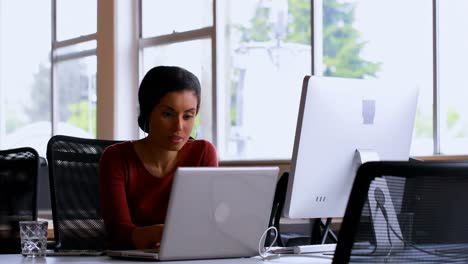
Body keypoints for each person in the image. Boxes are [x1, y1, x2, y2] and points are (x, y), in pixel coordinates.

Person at [99, 66, 218, 250]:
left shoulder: (203, 153)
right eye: (167, 114)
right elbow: (118, 235)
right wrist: (159, 233)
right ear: (148, 111)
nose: (179, 126)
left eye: (188, 116)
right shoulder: (116, 158)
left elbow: (207, 224)